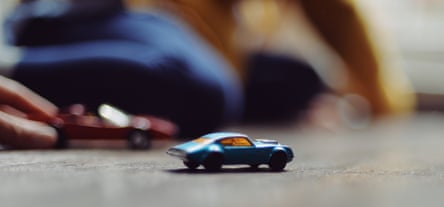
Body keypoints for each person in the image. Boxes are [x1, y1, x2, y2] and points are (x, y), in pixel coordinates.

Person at [0, 0, 415, 149]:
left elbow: (339, 15)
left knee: (299, 78)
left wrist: (384, 104)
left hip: (172, 37)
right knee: (205, 91)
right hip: (111, 11)